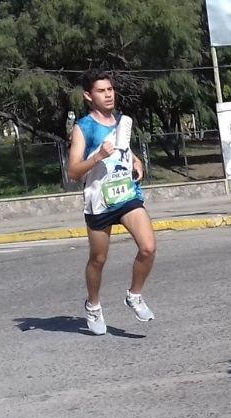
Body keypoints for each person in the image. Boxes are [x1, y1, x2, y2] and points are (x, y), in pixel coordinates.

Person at [67, 71, 156, 336]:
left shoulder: (122, 121)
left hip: (126, 195)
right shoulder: (84, 128)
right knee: (98, 259)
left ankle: (134, 295)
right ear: (88, 96)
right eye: (101, 91)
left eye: (110, 89)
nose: (108, 95)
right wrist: (97, 158)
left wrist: (136, 161)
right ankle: (93, 306)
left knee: (148, 247)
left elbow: (123, 149)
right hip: (99, 202)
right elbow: (73, 172)